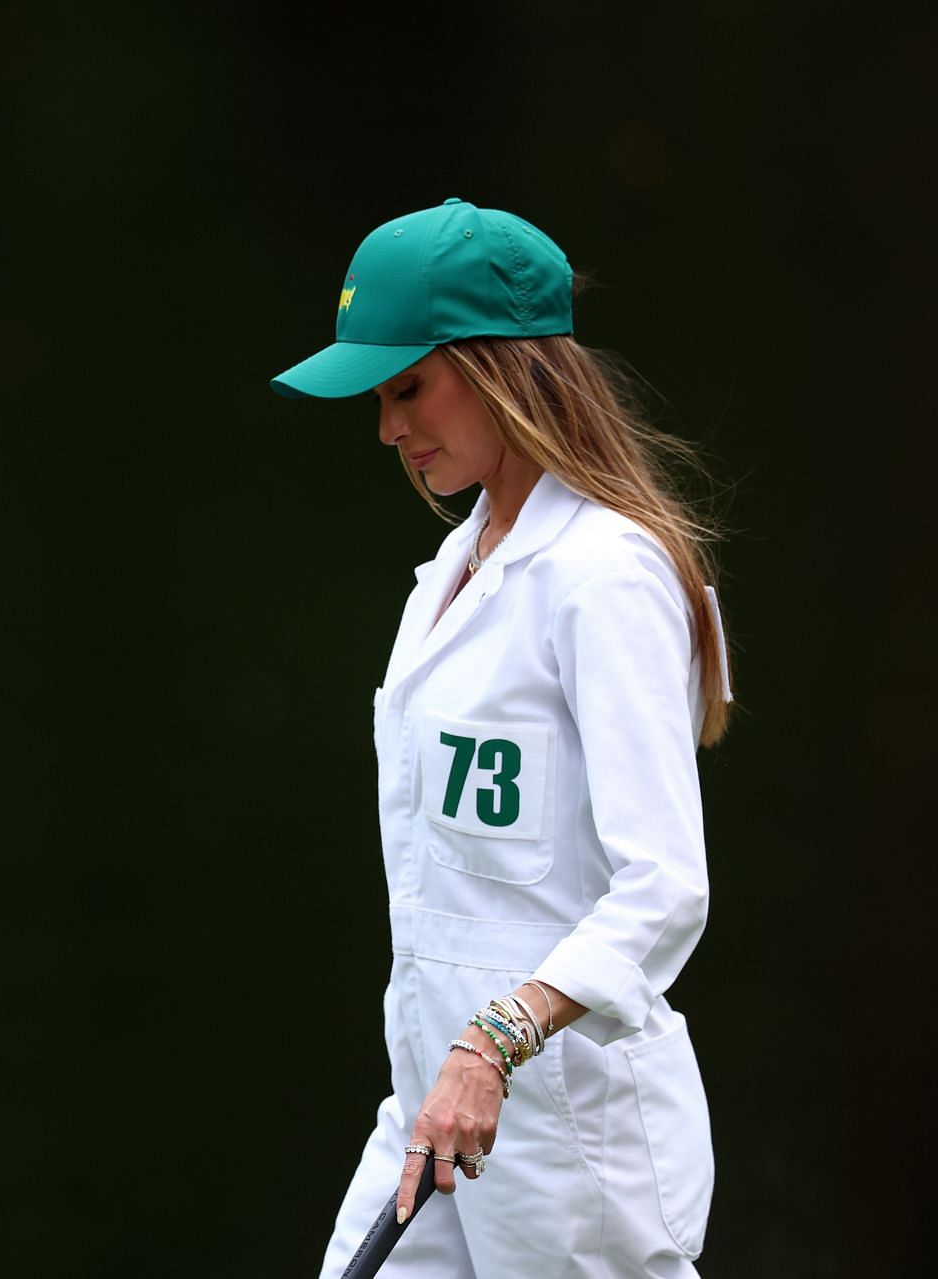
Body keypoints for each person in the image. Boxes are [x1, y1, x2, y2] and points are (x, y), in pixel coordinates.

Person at [269, 199, 732, 1277]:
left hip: (576, 1140)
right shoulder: (451, 572)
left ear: (502, 368)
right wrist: (453, 1059)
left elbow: (666, 886)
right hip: (435, 1106)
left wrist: (496, 1040)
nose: (389, 427)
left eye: (407, 387)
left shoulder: (607, 574)